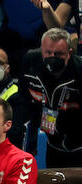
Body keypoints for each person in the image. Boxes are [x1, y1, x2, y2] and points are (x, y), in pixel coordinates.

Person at [21, 28, 82, 167]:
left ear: (69, 53)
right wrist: (30, 142)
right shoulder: (30, 61)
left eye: (59, 54)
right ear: (41, 49)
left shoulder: (79, 70)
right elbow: (25, 99)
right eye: (48, 52)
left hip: (79, 145)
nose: (52, 57)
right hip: (53, 144)